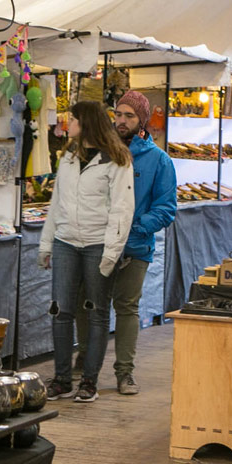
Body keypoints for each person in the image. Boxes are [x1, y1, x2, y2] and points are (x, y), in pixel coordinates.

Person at [74, 91, 177, 395]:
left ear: (142, 120)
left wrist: (133, 228)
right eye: (118, 114)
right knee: (87, 304)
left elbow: (166, 207)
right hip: (96, 243)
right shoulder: (99, 152)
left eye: (129, 116)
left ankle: (125, 373)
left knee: (127, 307)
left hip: (135, 247)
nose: (121, 120)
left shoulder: (159, 160)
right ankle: (87, 361)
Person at [38, 101, 135, 403]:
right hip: (66, 242)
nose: (69, 123)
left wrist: (111, 252)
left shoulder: (117, 160)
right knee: (61, 311)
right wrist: (46, 242)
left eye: (73, 119)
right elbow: (57, 202)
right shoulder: (67, 156)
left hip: (97, 245)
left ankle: (89, 381)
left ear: (87, 122)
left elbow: (122, 209)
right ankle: (62, 379)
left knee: (96, 314)